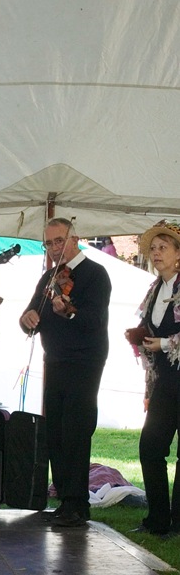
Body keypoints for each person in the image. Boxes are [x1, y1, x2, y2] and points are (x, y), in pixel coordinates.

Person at [20, 218, 112, 528]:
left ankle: (78, 503)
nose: (55, 247)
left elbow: (94, 319)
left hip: (84, 360)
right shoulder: (48, 276)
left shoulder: (95, 274)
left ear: (75, 239)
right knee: (55, 430)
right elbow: (31, 313)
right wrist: (28, 317)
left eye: (60, 240)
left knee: (76, 426)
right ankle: (64, 499)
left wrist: (69, 310)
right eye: (49, 243)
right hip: (55, 359)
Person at [126, 221, 180, 537]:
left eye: (163, 248)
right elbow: (154, 329)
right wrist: (143, 338)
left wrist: (165, 343)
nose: (156, 253)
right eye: (154, 248)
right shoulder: (155, 289)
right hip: (165, 380)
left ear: (178, 255)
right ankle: (158, 519)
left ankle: (175, 519)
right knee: (151, 447)